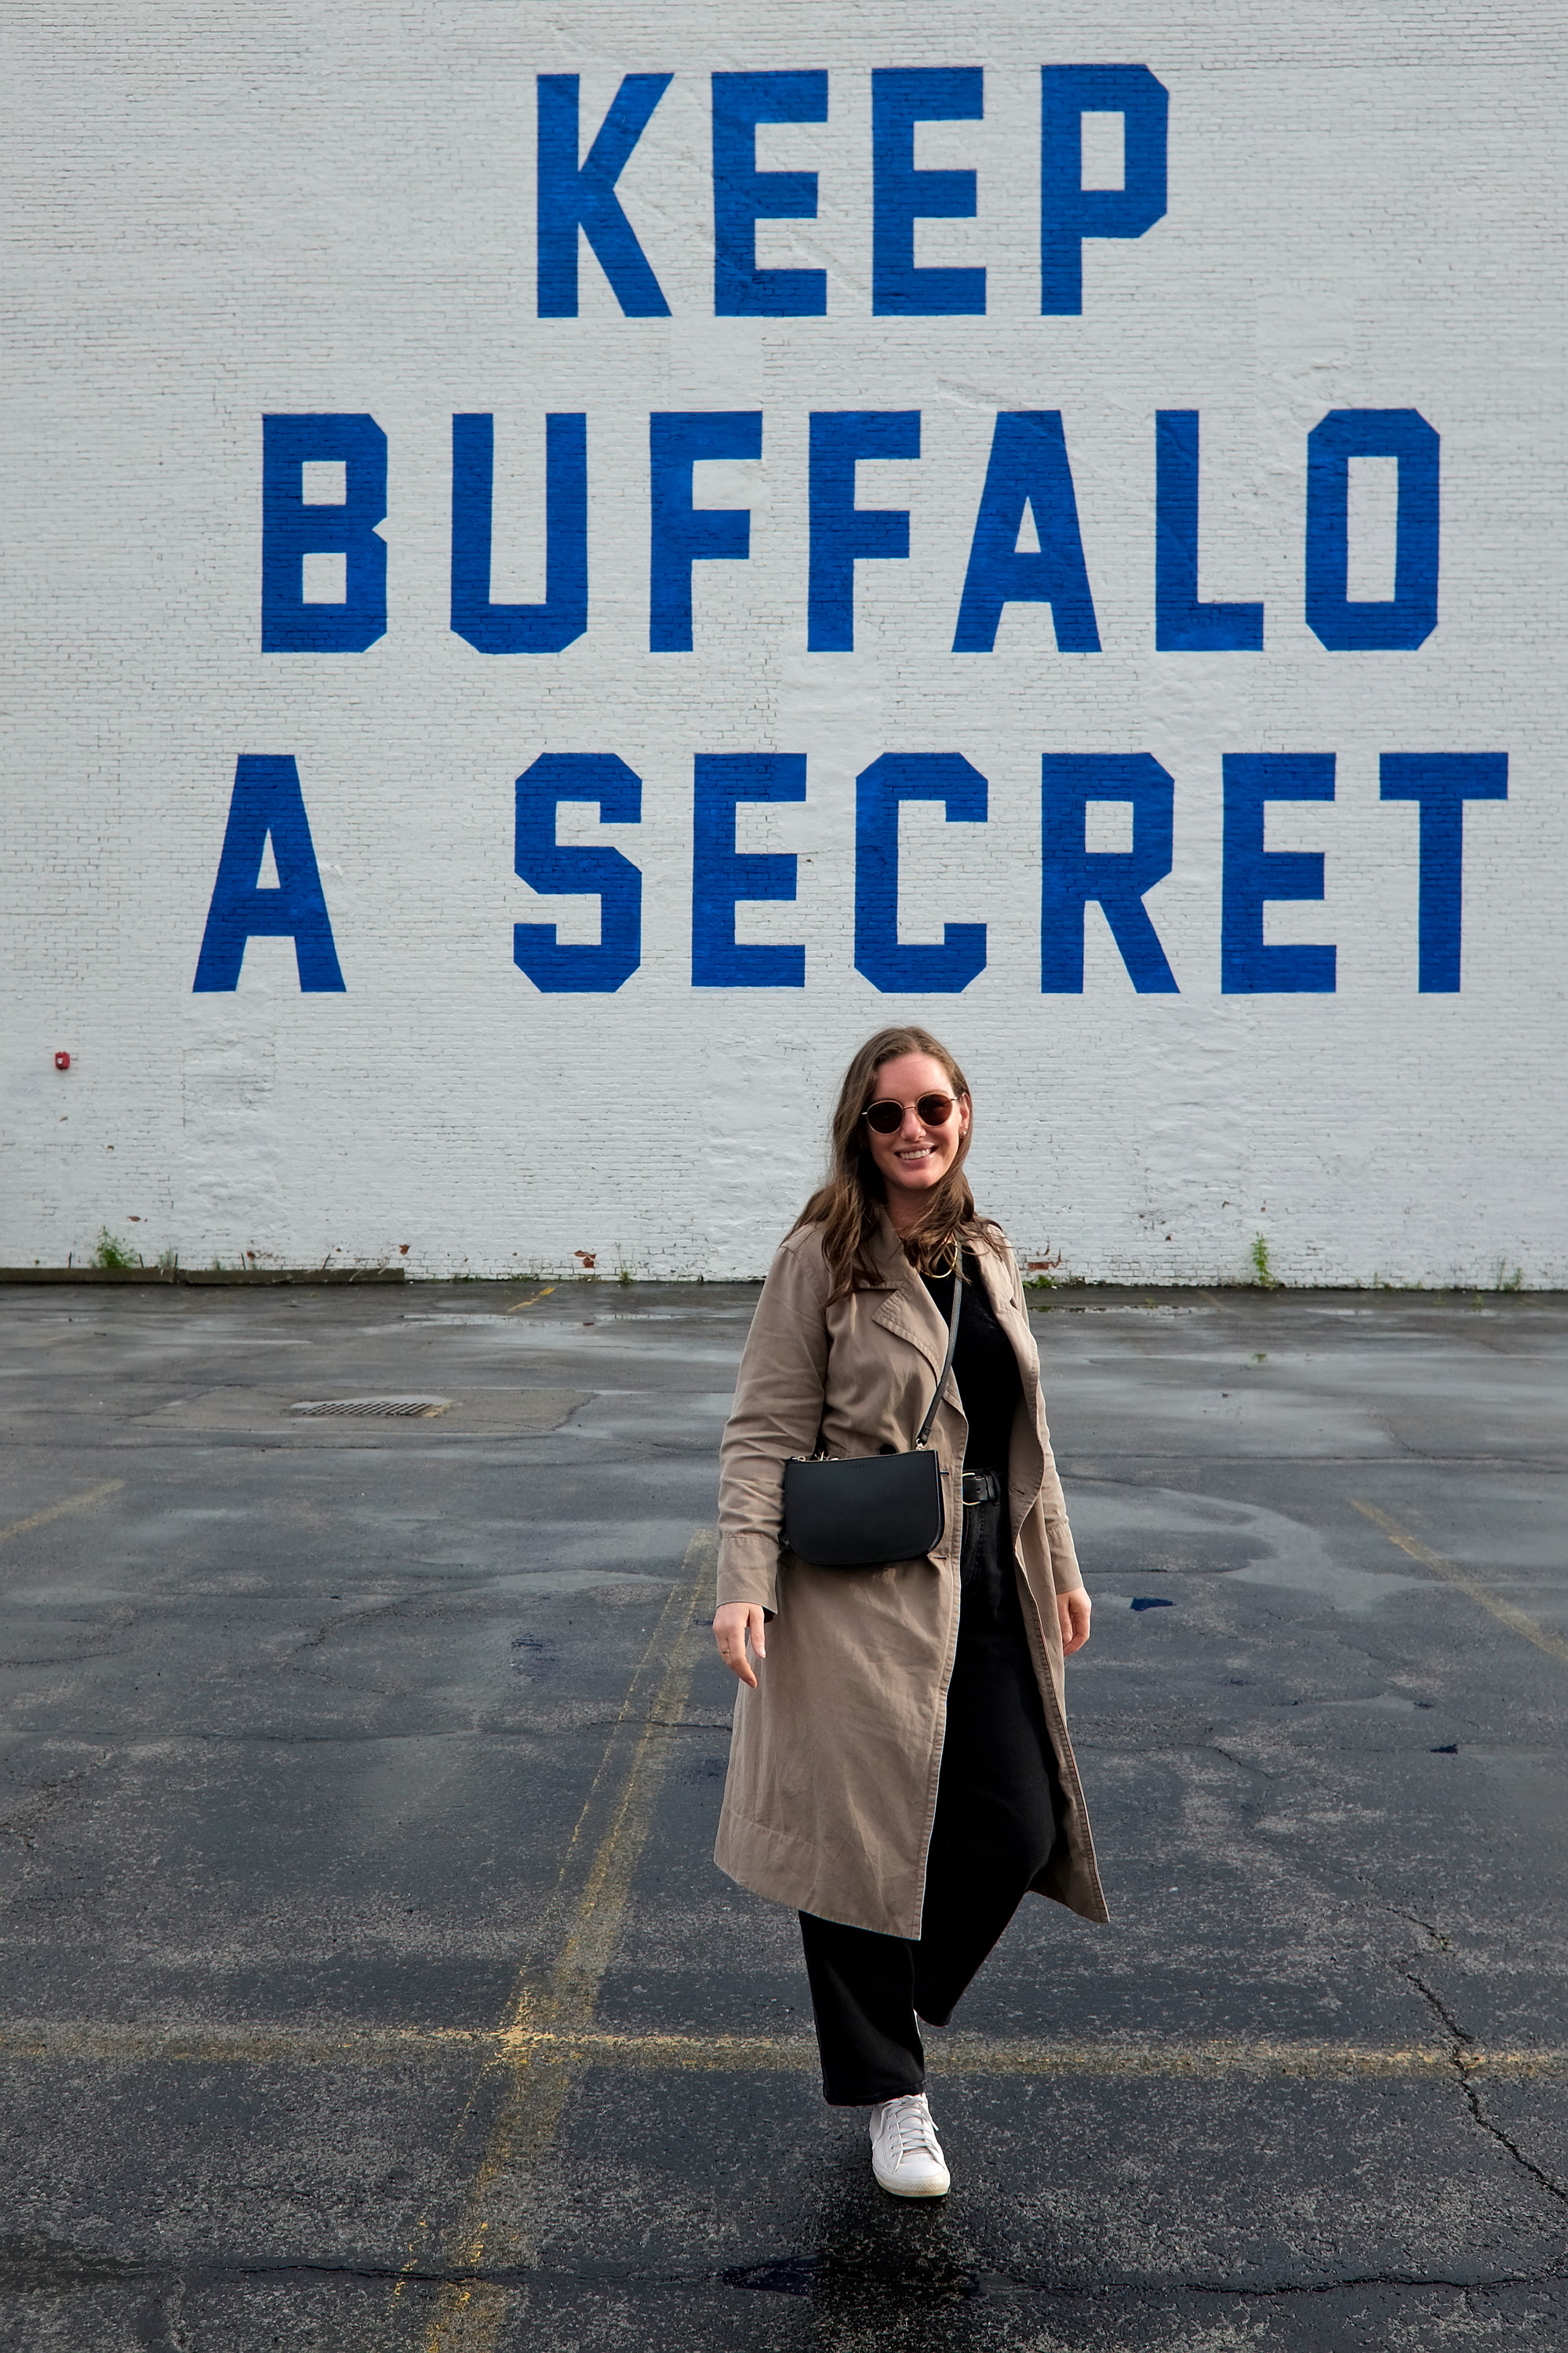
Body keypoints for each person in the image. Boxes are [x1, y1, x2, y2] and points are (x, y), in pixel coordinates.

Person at [712, 1025, 1107, 2198]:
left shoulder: (987, 1253)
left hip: (990, 1569)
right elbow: (764, 1433)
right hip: (862, 1591)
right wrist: (743, 1579)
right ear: (859, 1129)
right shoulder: (822, 1256)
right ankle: (894, 2093)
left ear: (965, 1114)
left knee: (1019, 1823)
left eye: (932, 1107)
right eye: (888, 1116)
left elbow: (1026, 1434)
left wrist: (1064, 1561)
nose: (913, 1131)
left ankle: (889, 1998)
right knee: (855, 1840)